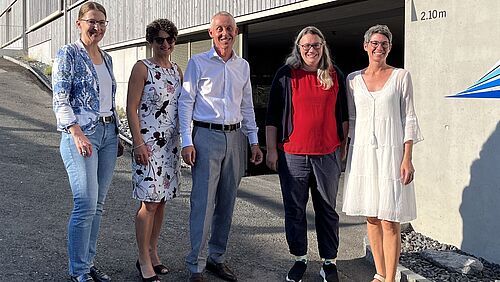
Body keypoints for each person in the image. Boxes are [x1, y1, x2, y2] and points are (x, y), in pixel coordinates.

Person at [178, 11, 263, 282]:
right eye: (219, 29)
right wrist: (187, 142)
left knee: (226, 203)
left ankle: (217, 258)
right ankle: (196, 266)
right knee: (202, 203)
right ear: (211, 33)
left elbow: (247, 106)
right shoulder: (197, 62)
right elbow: (185, 103)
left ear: (236, 32)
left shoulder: (243, 66)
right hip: (206, 137)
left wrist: (254, 141)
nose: (225, 33)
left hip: (235, 138)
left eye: (229, 28)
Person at [265, 26, 348, 282]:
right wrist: (271, 149)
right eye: (306, 46)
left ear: (323, 47)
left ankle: (329, 261)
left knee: (327, 209)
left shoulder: (335, 75)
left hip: (327, 154)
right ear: (298, 48)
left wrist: (343, 148)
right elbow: (273, 115)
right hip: (293, 155)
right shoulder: (286, 75)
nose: (311, 50)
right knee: (295, 209)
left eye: (315, 45)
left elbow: (344, 115)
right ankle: (299, 258)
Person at [342, 25, 423, 282]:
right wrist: (344, 150)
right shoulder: (353, 80)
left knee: (390, 218)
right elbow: (352, 119)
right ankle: (379, 272)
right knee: (372, 216)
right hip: (364, 152)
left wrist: (407, 157)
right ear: (366, 46)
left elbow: (408, 117)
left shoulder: (401, 76)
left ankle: (391, 278)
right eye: (374, 43)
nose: (379, 47)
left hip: (392, 153)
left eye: (384, 44)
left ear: (390, 47)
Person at [52, 2, 123, 282]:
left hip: (108, 134)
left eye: (102, 22)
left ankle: (88, 262)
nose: (97, 27)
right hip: (81, 135)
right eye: (92, 21)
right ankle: (78, 270)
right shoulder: (68, 54)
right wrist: (76, 132)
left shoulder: (106, 58)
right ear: (79, 23)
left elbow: (108, 100)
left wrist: (117, 134)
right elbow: (60, 98)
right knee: (85, 203)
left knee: (99, 204)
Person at [126, 19, 182, 282]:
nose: (165, 44)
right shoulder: (142, 68)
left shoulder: (177, 71)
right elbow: (131, 108)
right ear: (151, 41)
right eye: (160, 39)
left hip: (169, 147)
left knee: (161, 203)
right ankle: (142, 258)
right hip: (148, 146)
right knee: (148, 203)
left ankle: (153, 251)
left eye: (170, 39)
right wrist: (138, 143)